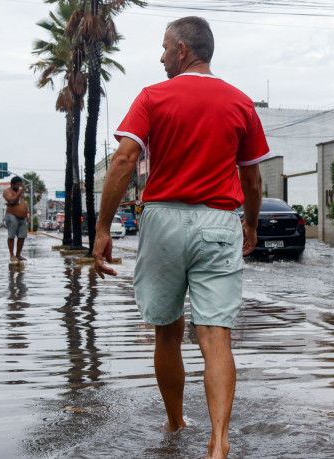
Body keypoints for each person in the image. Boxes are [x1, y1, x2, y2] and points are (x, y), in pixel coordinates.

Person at [92, 16, 269, 459]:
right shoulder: (240, 102)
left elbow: (123, 162)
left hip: (164, 220)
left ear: (184, 50)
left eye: (165, 47)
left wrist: (102, 227)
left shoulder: (153, 96)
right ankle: (219, 442)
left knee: (168, 334)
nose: (161, 55)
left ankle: (174, 424)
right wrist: (250, 223)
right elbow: (253, 181)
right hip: (219, 221)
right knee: (216, 336)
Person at [3, 176, 28, 262]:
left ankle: (18, 254)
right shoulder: (7, 191)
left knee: (22, 236)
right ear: (12, 184)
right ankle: (12, 255)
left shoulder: (20, 192)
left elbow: (23, 203)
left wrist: (26, 216)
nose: (19, 186)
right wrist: (19, 192)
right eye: (17, 185)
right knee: (11, 236)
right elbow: (11, 201)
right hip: (11, 215)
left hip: (22, 218)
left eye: (20, 185)